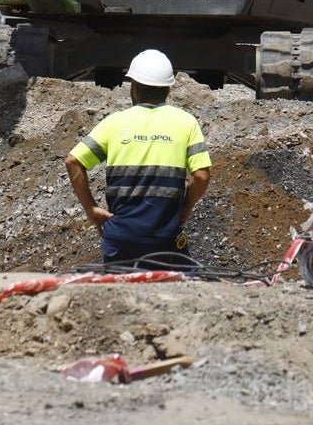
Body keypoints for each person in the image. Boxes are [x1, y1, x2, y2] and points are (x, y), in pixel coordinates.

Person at [65, 49, 211, 269]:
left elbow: (73, 161)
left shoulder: (114, 123)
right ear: (168, 88)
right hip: (165, 239)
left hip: (120, 239)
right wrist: (187, 207)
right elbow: (201, 176)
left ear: (133, 86)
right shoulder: (186, 122)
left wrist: (91, 209)